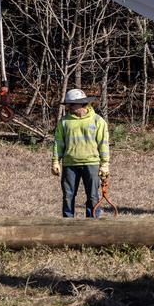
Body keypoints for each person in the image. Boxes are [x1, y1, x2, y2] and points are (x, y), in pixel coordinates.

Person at [52, 88, 110, 218]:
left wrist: (105, 164)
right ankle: (68, 224)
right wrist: (55, 161)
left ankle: (93, 225)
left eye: (72, 104)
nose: (69, 107)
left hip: (92, 164)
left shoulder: (98, 121)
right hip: (70, 164)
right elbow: (58, 143)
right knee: (68, 196)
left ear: (82, 103)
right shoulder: (64, 122)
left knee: (93, 196)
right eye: (68, 104)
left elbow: (103, 144)